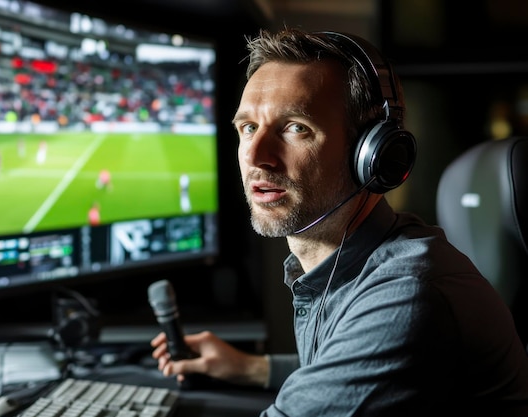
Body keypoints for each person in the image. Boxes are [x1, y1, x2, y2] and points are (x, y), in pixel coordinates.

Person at [150, 27, 528, 416]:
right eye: (248, 127)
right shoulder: (350, 266)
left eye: (296, 128)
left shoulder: (409, 295)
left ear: (374, 153)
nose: (257, 156)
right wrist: (251, 368)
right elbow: (344, 367)